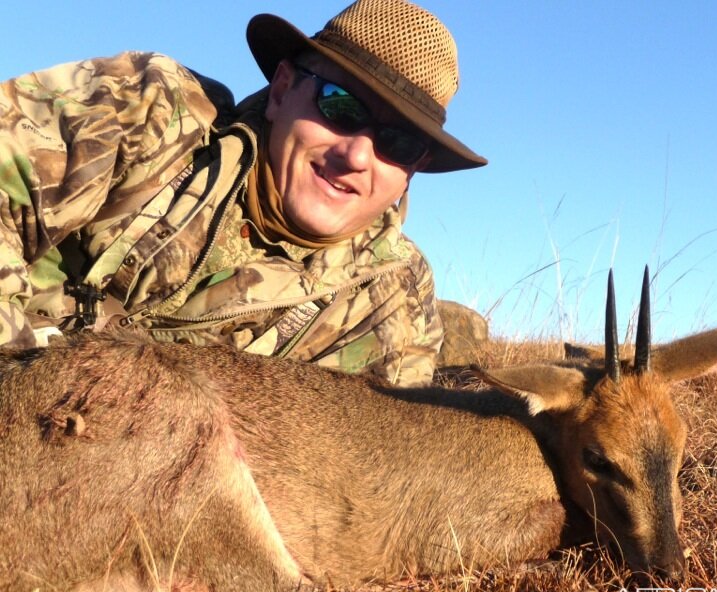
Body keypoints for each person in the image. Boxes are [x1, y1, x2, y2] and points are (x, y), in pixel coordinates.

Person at [0, 0, 486, 386]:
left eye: (398, 143)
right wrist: (60, 374)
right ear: (281, 90)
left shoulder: (394, 301)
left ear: (415, 168)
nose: (357, 157)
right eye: (341, 106)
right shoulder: (149, 109)